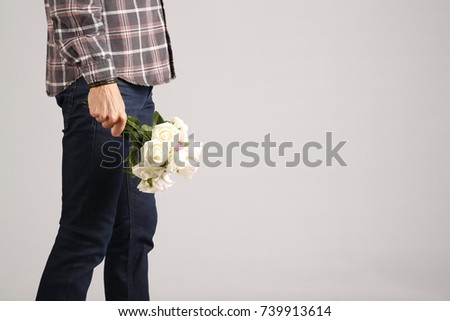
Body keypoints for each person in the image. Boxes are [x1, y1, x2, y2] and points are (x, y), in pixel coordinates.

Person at [36, 0, 176, 301]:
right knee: (86, 233)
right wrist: (100, 79)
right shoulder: (101, 80)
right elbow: (72, 6)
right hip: (104, 81)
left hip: (134, 84)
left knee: (134, 233)